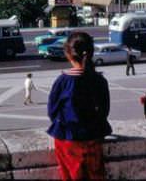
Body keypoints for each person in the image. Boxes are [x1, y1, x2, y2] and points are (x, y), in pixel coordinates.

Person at [47, 31, 111, 181]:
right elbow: (104, 111)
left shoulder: (62, 81)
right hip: (93, 136)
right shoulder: (99, 80)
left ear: (68, 54)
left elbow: (52, 111)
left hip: (67, 139)